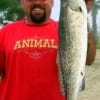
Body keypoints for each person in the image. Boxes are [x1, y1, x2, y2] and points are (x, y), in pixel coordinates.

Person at [0, 0, 96, 100]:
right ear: (22, 2)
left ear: (52, 2)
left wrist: (81, 18)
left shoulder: (67, 30)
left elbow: (89, 60)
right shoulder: (5, 32)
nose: (37, 2)